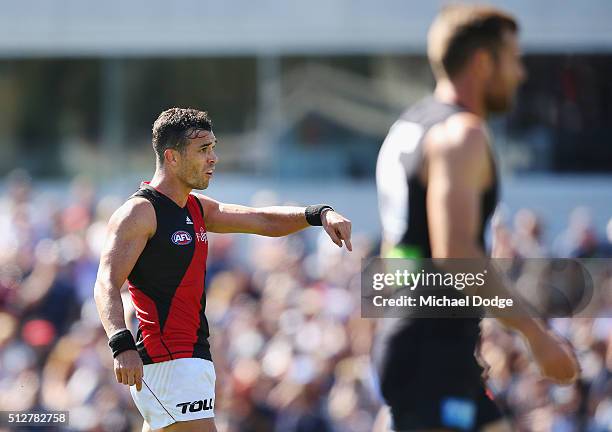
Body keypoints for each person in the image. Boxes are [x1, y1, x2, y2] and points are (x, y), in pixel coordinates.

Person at [374, 4, 579, 431]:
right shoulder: (461, 133)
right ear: (484, 62)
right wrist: (536, 335)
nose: (520, 74)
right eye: (514, 59)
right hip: (430, 355)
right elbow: (456, 255)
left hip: (422, 342)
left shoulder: (409, 125)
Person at [93, 108, 352, 432]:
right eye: (203, 150)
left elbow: (261, 219)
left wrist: (318, 214)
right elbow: (105, 282)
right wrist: (120, 342)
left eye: (213, 147)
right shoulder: (140, 212)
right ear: (172, 157)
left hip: (192, 360)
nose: (213, 158)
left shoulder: (197, 207)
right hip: (166, 363)